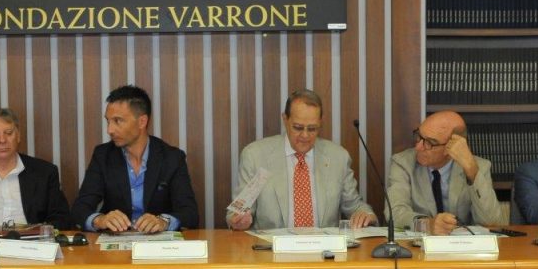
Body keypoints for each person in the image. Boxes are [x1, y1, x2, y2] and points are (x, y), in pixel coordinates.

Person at [227, 89, 376, 231]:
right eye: (298, 127)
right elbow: (238, 210)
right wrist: (238, 220)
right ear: (285, 120)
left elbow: (354, 206)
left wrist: (365, 215)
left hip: (324, 246)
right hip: (271, 247)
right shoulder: (255, 156)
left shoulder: (338, 157)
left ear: (320, 123)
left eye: (312, 129)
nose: (305, 135)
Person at [71, 85, 199, 232]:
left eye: (118, 121)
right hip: (115, 243)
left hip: (158, 242)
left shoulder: (172, 158)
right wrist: (99, 220)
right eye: (108, 121)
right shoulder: (102, 155)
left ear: (142, 122)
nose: (109, 130)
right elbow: (79, 209)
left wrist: (164, 221)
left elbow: (190, 213)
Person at [386, 110, 505, 234]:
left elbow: (492, 223)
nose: (418, 147)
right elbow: (394, 212)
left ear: (452, 147)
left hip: (463, 244)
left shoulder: (478, 167)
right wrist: (427, 225)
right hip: (418, 244)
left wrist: (471, 170)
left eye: (429, 142)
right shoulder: (403, 163)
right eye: (419, 136)